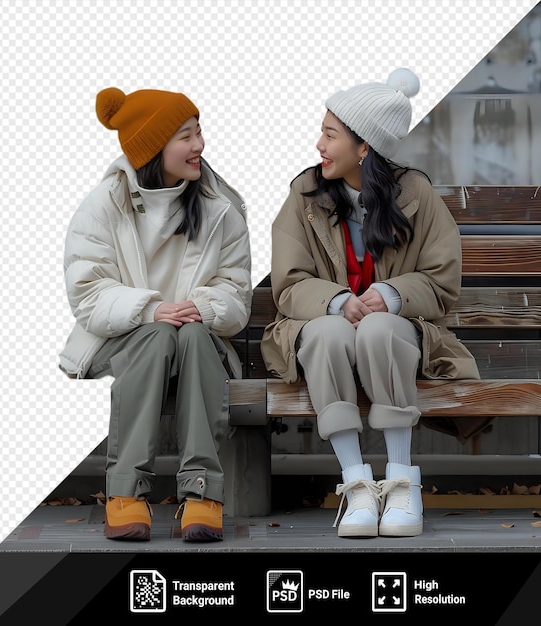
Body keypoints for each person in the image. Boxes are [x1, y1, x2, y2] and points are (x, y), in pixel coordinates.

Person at [260, 68, 480, 538]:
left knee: (379, 327)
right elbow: (291, 283)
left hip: (397, 336)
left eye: (330, 134)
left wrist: (392, 294)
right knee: (327, 331)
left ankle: (401, 483)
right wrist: (337, 300)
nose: (319, 144)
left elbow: (443, 281)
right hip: (323, 332)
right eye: (322, 132)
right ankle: (356, 483)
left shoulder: (415, 195)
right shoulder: (304, 196)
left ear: (365, 148)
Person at [59, 87, 252, 542]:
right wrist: (151, 309)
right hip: (123, 340)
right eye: (186, 136)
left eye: (199, 132)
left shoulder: (221, 209)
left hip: (198, 341)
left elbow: (235, 292)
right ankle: (126, 492)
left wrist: (202, 307)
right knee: (158, 336)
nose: (199, 145)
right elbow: (87, 292)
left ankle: (201, 493)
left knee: (189, 337)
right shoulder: (103, 204)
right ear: (152, 148)